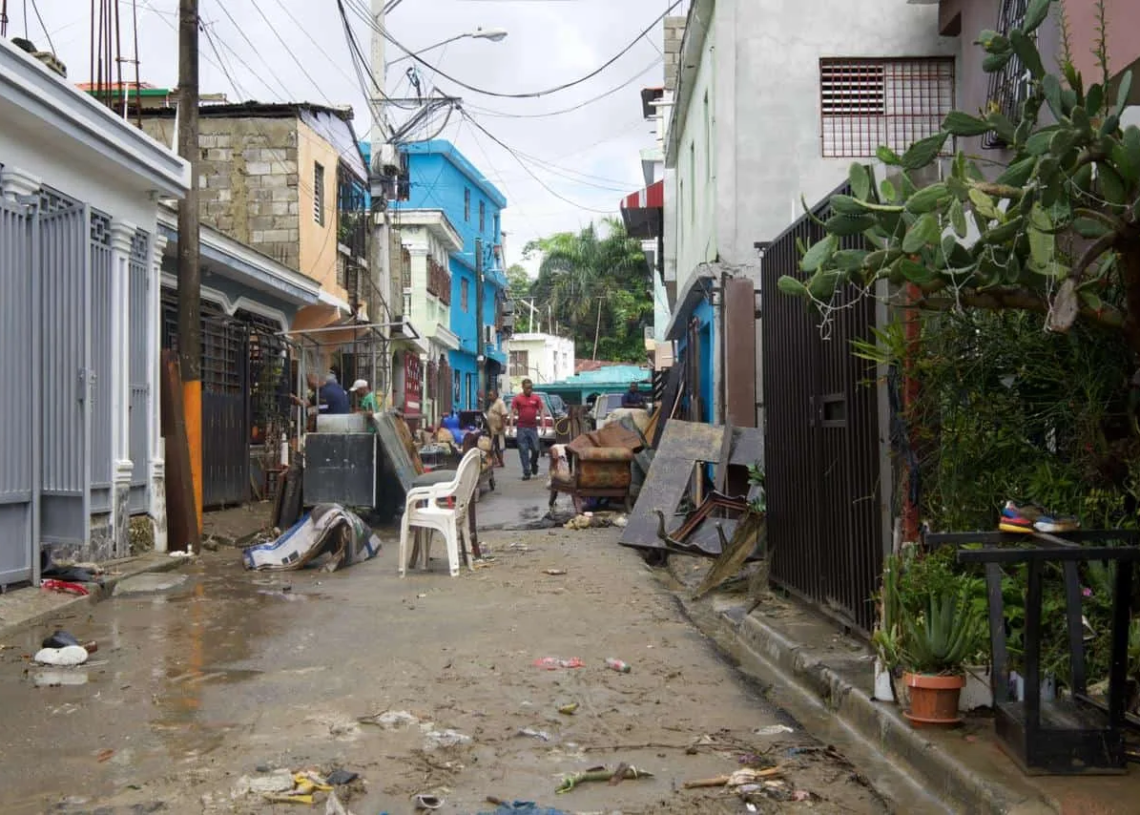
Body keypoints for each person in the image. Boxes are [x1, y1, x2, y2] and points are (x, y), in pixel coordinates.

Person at [510, 378, 547, 480]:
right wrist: (511, 426)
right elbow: (512, 412)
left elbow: (541, 411)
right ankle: (526, 472)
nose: (529, 390)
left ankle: (533, 463)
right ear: (522, 387)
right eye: (527, 388)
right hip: (521, 428)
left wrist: (543, 424)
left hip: (533, 428)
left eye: (531, 388)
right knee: (523, 450)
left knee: (536, 449)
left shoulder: (536, 398)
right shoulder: (517, 398)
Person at [485, 389, 508, 467]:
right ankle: (496, 461)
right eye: (489, 395)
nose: (489, 397)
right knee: (493, 446)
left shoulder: (500, 403)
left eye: (491, 395)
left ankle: (500, 462)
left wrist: (501, 425)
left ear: (495, 395)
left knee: (499, 446)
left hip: (498, 429)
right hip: (492, 430)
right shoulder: (492, 403)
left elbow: (504, 415)